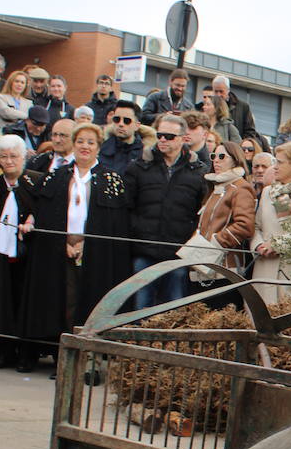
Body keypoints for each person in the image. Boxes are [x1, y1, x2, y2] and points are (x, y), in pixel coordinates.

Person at [21, 122, 132, 353]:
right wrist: (63, 242)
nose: (85, 146)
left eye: (90, 142)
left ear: (98, 147)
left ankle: (89, 350)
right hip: (60, 248)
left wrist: (86, 243)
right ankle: (60, 350)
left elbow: (114, 224)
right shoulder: (58, 176)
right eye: (80, 141)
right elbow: (46, 213)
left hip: (94, 251)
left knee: (89, 299)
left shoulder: (111, 179)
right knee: (64, 298)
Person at [123, 113, 208, 309]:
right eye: (160, 134)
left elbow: (200, 212)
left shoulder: (198, 171)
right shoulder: (139, 167)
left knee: (174, 309)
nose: (162, 139)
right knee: (140, 308)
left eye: (169, 136)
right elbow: (127, 206)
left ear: (182, 139)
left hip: (178, 253)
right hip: (143, 249)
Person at [0, 134, 45, 371]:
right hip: (0, 255)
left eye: (13, 156)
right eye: (3, 157)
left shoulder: (36, 182)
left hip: (27, 256)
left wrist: (33, 219)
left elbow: (44, 211)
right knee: (0, 301)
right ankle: (4, 351)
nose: (8, 161)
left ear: (23, 156)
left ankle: (27, 355)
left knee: (24, 303)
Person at [252, 142, 291, 308]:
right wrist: (258, 245)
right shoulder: (267, 192)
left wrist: (278, 245)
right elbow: (256, 226)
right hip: (263, 269)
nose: (275, 167)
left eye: (279, 162)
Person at [194, 141, 256, 287]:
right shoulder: (216, 187)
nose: (216, 160)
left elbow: (245, 225)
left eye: (222, 156)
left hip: (226, 267)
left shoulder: (241, 188)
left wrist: (217, 241)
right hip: (204, 263)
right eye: (213, 155)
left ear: (235, 159)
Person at [96, 100, 145, 175]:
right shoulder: (100, 149)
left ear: (137, 125)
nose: (121, 124)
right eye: (117, 119)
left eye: (127, 121)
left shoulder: (145, 154)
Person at [212, 75, 258, 141]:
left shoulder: (243, 107)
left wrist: (242, 147)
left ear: (228, 90)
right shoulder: (207, 108)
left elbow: (250, 132)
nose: (218, 95)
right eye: (216, 91)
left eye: (221, 91)